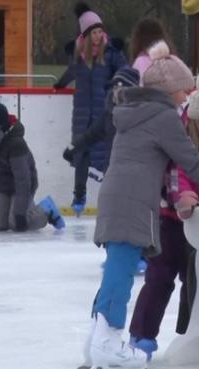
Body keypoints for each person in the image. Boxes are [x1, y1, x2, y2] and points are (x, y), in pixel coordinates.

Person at [82, 41, 199, 369]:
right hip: (133, 202)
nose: (187, 96)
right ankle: (108, 344)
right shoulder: (163, 117)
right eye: (184, 90)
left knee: (116, 268)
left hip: (116, 196)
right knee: (120, 271)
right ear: (169, 90)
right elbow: (189, 159)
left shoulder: (134, 113)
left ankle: (96, 340)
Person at [127, 72, 199, 359]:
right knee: (160, 276)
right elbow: (179, 174)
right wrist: (183, 200)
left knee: (196, 280)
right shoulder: (180, 138)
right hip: (169, 219)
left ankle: (191, 334)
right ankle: (142, 335)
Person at [53, 2, 128, 216]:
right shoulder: (78, 53)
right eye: (94, 32)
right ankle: (79, 196)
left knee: (108, 155)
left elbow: (125, 72)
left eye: (100, 31)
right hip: (82, 113)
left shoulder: (112, 52)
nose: (98, 35)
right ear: (85, 35)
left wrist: (114, 84)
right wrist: (59, 84)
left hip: (104, 112)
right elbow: (71, 72)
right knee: (81, 155)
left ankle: (113, 197)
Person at [0, 103, 65, 232]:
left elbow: (23, 180)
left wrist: (20, 213)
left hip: (23, 186)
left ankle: (46, 209)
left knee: (17, 223)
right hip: (3, 186)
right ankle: (25, 208)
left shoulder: (16, 144)